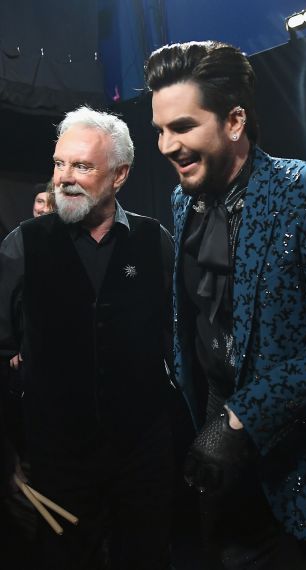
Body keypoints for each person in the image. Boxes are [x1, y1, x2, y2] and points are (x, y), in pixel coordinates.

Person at [145, 40, 306, 569]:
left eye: (183, 127)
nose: (167, 145)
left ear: (234, 120)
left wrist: (241, 418)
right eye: (160, 130)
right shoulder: (181, 200)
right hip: (228, 477)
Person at [0, 106, 175, 570]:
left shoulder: (156, 242)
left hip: (144, 460)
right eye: (60, 164)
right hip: (58, 462)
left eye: (81, 166)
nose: (64, 178)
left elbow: (178, 344)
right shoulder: (23, 245)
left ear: (120, 175)